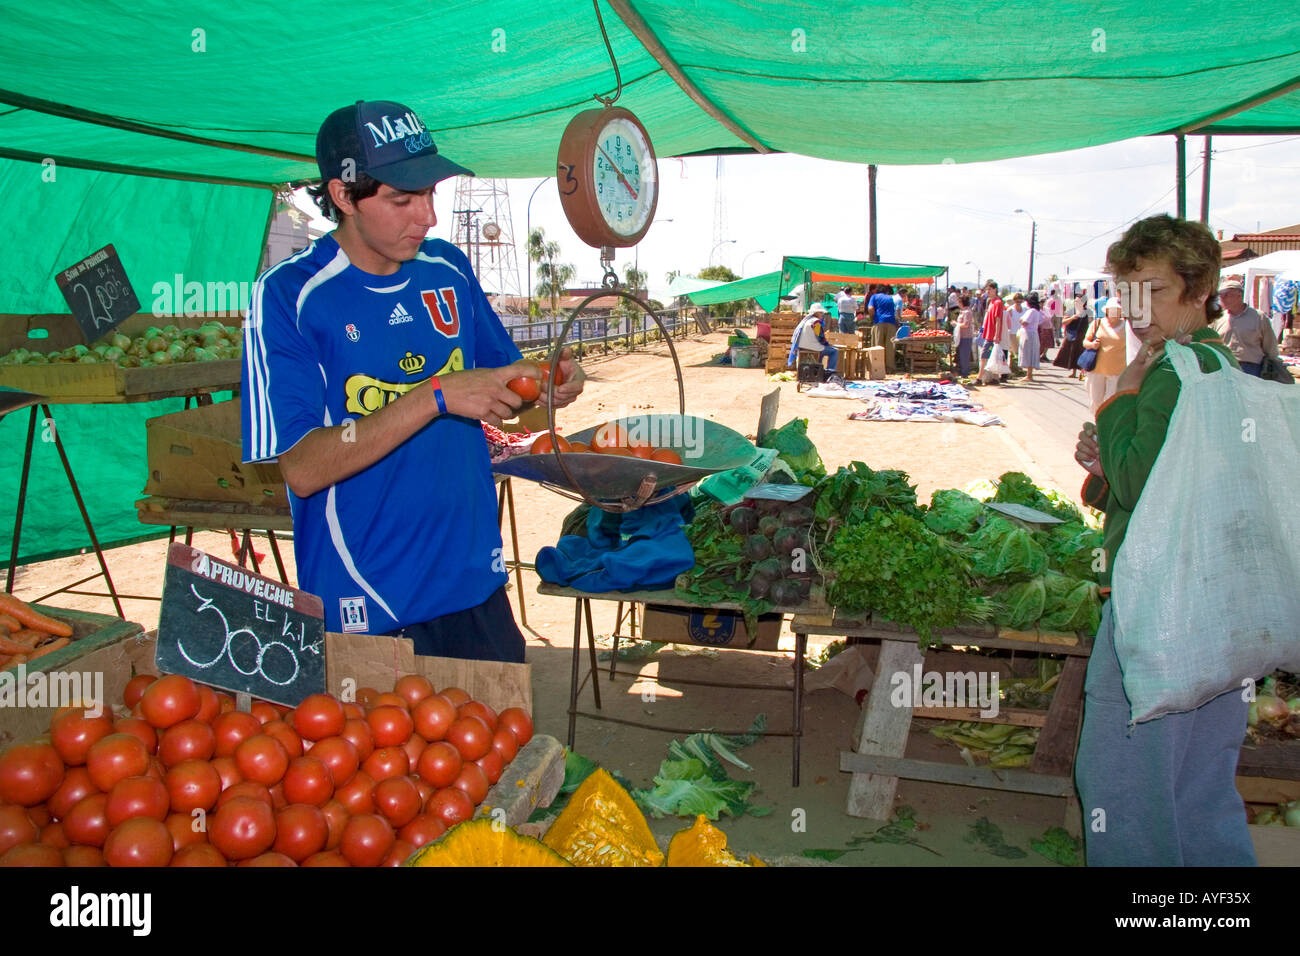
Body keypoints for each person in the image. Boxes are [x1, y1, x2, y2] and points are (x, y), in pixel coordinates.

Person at [241, 99, 585, 662]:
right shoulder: (290, 296)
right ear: (344, 195)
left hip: (474, 578)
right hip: (369, 600)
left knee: (509, 744)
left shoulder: (446, 269)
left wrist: (547, 384)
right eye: (403, 199)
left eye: (430, 195)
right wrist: (435, 396)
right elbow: (302, 469)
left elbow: (504, 390)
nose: (425, 217)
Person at [1073, 214, 1252, 867]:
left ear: (1199, 287)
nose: (1133, 309)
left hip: (1160, 605)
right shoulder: (1220, 363)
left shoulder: (1173, 368)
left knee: (1123, 786)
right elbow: (1167, 481)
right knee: (1198, 788)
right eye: (1125, 292)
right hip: (1218, 608)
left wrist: (1119, 401)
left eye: (1150, 289)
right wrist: (1103, 466)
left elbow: (1142, 481)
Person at [1214, 279, 1280, 377]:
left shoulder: (1258, 317)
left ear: (1239, 295)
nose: (1222, 299)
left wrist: (1272, 364)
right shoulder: (1218, 318)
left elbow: (1270, 345)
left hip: (1250, 368)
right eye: (1220, 295)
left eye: (1227, 295)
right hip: (1224, 365)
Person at [1080, 297, 1127, 414]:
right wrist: (1092, 345)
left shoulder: (1127, 326)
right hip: (1097, 370)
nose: (1114, 312)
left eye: (1117, 310)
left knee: (1112, 402)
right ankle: (1098, 425)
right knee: (1096, 401)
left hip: (1118, 371)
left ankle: (1108, 427)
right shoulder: (1097, 323)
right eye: (1112, 309)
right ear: (1106, 310)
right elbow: (1085, 342)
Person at [788, 302, 838, 372]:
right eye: (820, 313)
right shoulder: (816, 322)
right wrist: (827, 344)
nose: (822, 315)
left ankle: (819, 370)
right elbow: (820, 337)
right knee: (834, 351)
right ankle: (830, 371)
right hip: (812, 346)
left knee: (823, 350)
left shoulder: (806, 321)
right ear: (816, 313)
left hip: (802, 346)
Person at [1054, 287, 1090, 378]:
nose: (1076, 303)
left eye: (1078, 301)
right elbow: (1064, 322)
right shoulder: (1071, 311)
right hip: (1071, 335)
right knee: (1071, 353)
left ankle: (1082, 373)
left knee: (1082, 354)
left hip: (1083, 335)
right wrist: (1072, 318)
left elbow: (1091, 322)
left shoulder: (1088, 312)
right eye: (1076, 301)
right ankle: (1073, 372)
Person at [977, 280, 1004, 378]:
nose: (987, 292)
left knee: (984, 357)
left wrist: (996, 335)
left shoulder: (998, 302)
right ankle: (995, 378)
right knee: (992, 356)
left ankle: (979, 378)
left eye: (989, 289)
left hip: (992, 335)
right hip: (987, 333)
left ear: (995, 290)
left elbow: (998, 320)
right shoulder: (991, 302)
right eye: (986, 290)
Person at [868, 284, 898, 372]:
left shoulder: (874, 297)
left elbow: (870, 309)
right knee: (890, 347)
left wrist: (872, 318)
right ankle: (889, 368)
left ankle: (877, 368)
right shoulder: (890, 298)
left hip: (879, 322)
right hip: (891, 323)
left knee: (878, 346)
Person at [1017, 291, 1043, 382]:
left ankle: (1029, 375)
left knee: (1028, 353)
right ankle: (1029, 374)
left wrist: (1020, 320)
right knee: (1031, 353)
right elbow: (1040, 322)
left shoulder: (1031, 311)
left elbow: (1024, 322)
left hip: (1028, 333)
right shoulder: (1037, 311)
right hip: (1033, 333)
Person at [953, 294, 975, 377]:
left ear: (961, 302)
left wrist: (956, 324)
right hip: (961, 336)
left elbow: (966, 324)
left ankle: (965, 372)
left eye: (958, 301)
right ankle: (962, 371)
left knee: (964, 355)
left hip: (966, 337)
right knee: (961, 355)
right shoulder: (962, 312)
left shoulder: (967, 312)